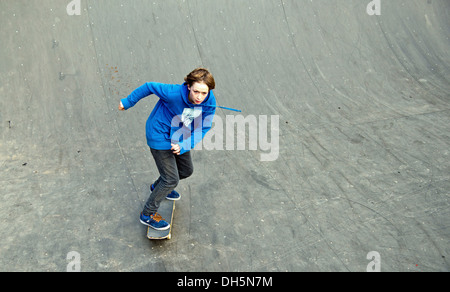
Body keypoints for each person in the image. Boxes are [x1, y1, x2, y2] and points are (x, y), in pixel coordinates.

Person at [119, 68, 216, 230]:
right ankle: (147, 214)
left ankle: (158, 187)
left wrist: (184, 145)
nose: (199, 97)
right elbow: (149, 86)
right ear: (188, 86)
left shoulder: (208, 101)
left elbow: (202, 129)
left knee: (185, 171)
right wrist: (128, 102)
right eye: (196, 91)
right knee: (171, 179)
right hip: (159, 135)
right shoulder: (173, 93)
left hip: (180, 136)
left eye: (204, 93)